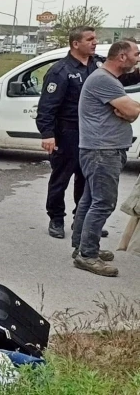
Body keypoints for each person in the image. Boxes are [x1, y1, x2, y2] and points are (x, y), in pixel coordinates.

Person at [35, 27, 140, 239]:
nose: (95, 42)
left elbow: (123, 78)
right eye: (90, 39)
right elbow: (47, 106)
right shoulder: (60, 71)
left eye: (95, 39)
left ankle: (81, 221)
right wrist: (47, 134)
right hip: (68, 133)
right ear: (76, 44)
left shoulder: (98, 65)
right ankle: (56, 218)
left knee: (86, 181)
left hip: (92, 133)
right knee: (60, 179)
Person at [72, 39, 140, 277]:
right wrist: (130, 110)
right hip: (102, 151)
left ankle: (81, 247)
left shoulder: (109, 80)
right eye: (136, 53)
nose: (138, 58)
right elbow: (132, 111)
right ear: (122, 57)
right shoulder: (104, 80)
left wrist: (128, 111)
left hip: (102, 150)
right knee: (102, 203)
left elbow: (128, 113)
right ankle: (87, 255)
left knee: (90, 200)